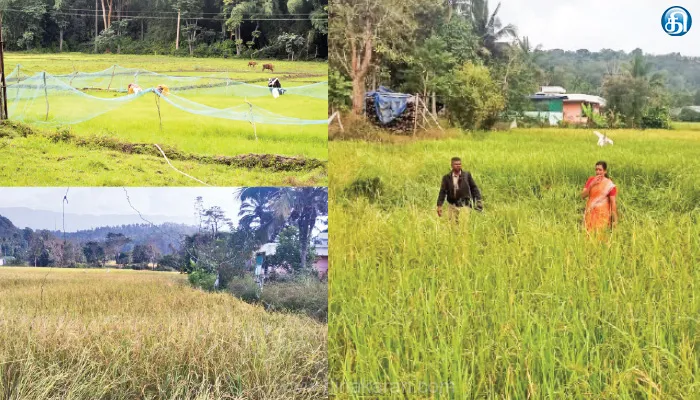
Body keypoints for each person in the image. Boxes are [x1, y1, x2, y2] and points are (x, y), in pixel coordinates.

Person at [581, 161, 618, 233]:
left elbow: (613, 203)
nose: (598, 172)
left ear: (605, 171)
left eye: (600, 170)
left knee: (600, 236)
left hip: (602, 216)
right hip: (589, 213)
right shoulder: (591, 180)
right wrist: (591, 184)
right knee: (588, 235)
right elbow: (583, 196)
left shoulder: (609, 185)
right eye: (596, 169)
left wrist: (615, 220)